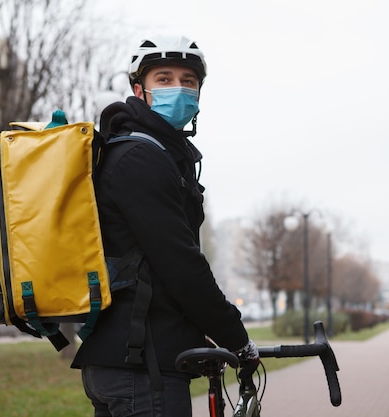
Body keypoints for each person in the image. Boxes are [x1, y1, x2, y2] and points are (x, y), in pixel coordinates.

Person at [72, 35, 258, 417]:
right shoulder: (139, 157)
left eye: (188, 81)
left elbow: (152, 265)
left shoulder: (154, 154)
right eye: (165, 78)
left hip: (129, 359)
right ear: (139, 90)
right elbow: (180, 263)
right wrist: (237, 339)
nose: (179, 88)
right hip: (141, 366)